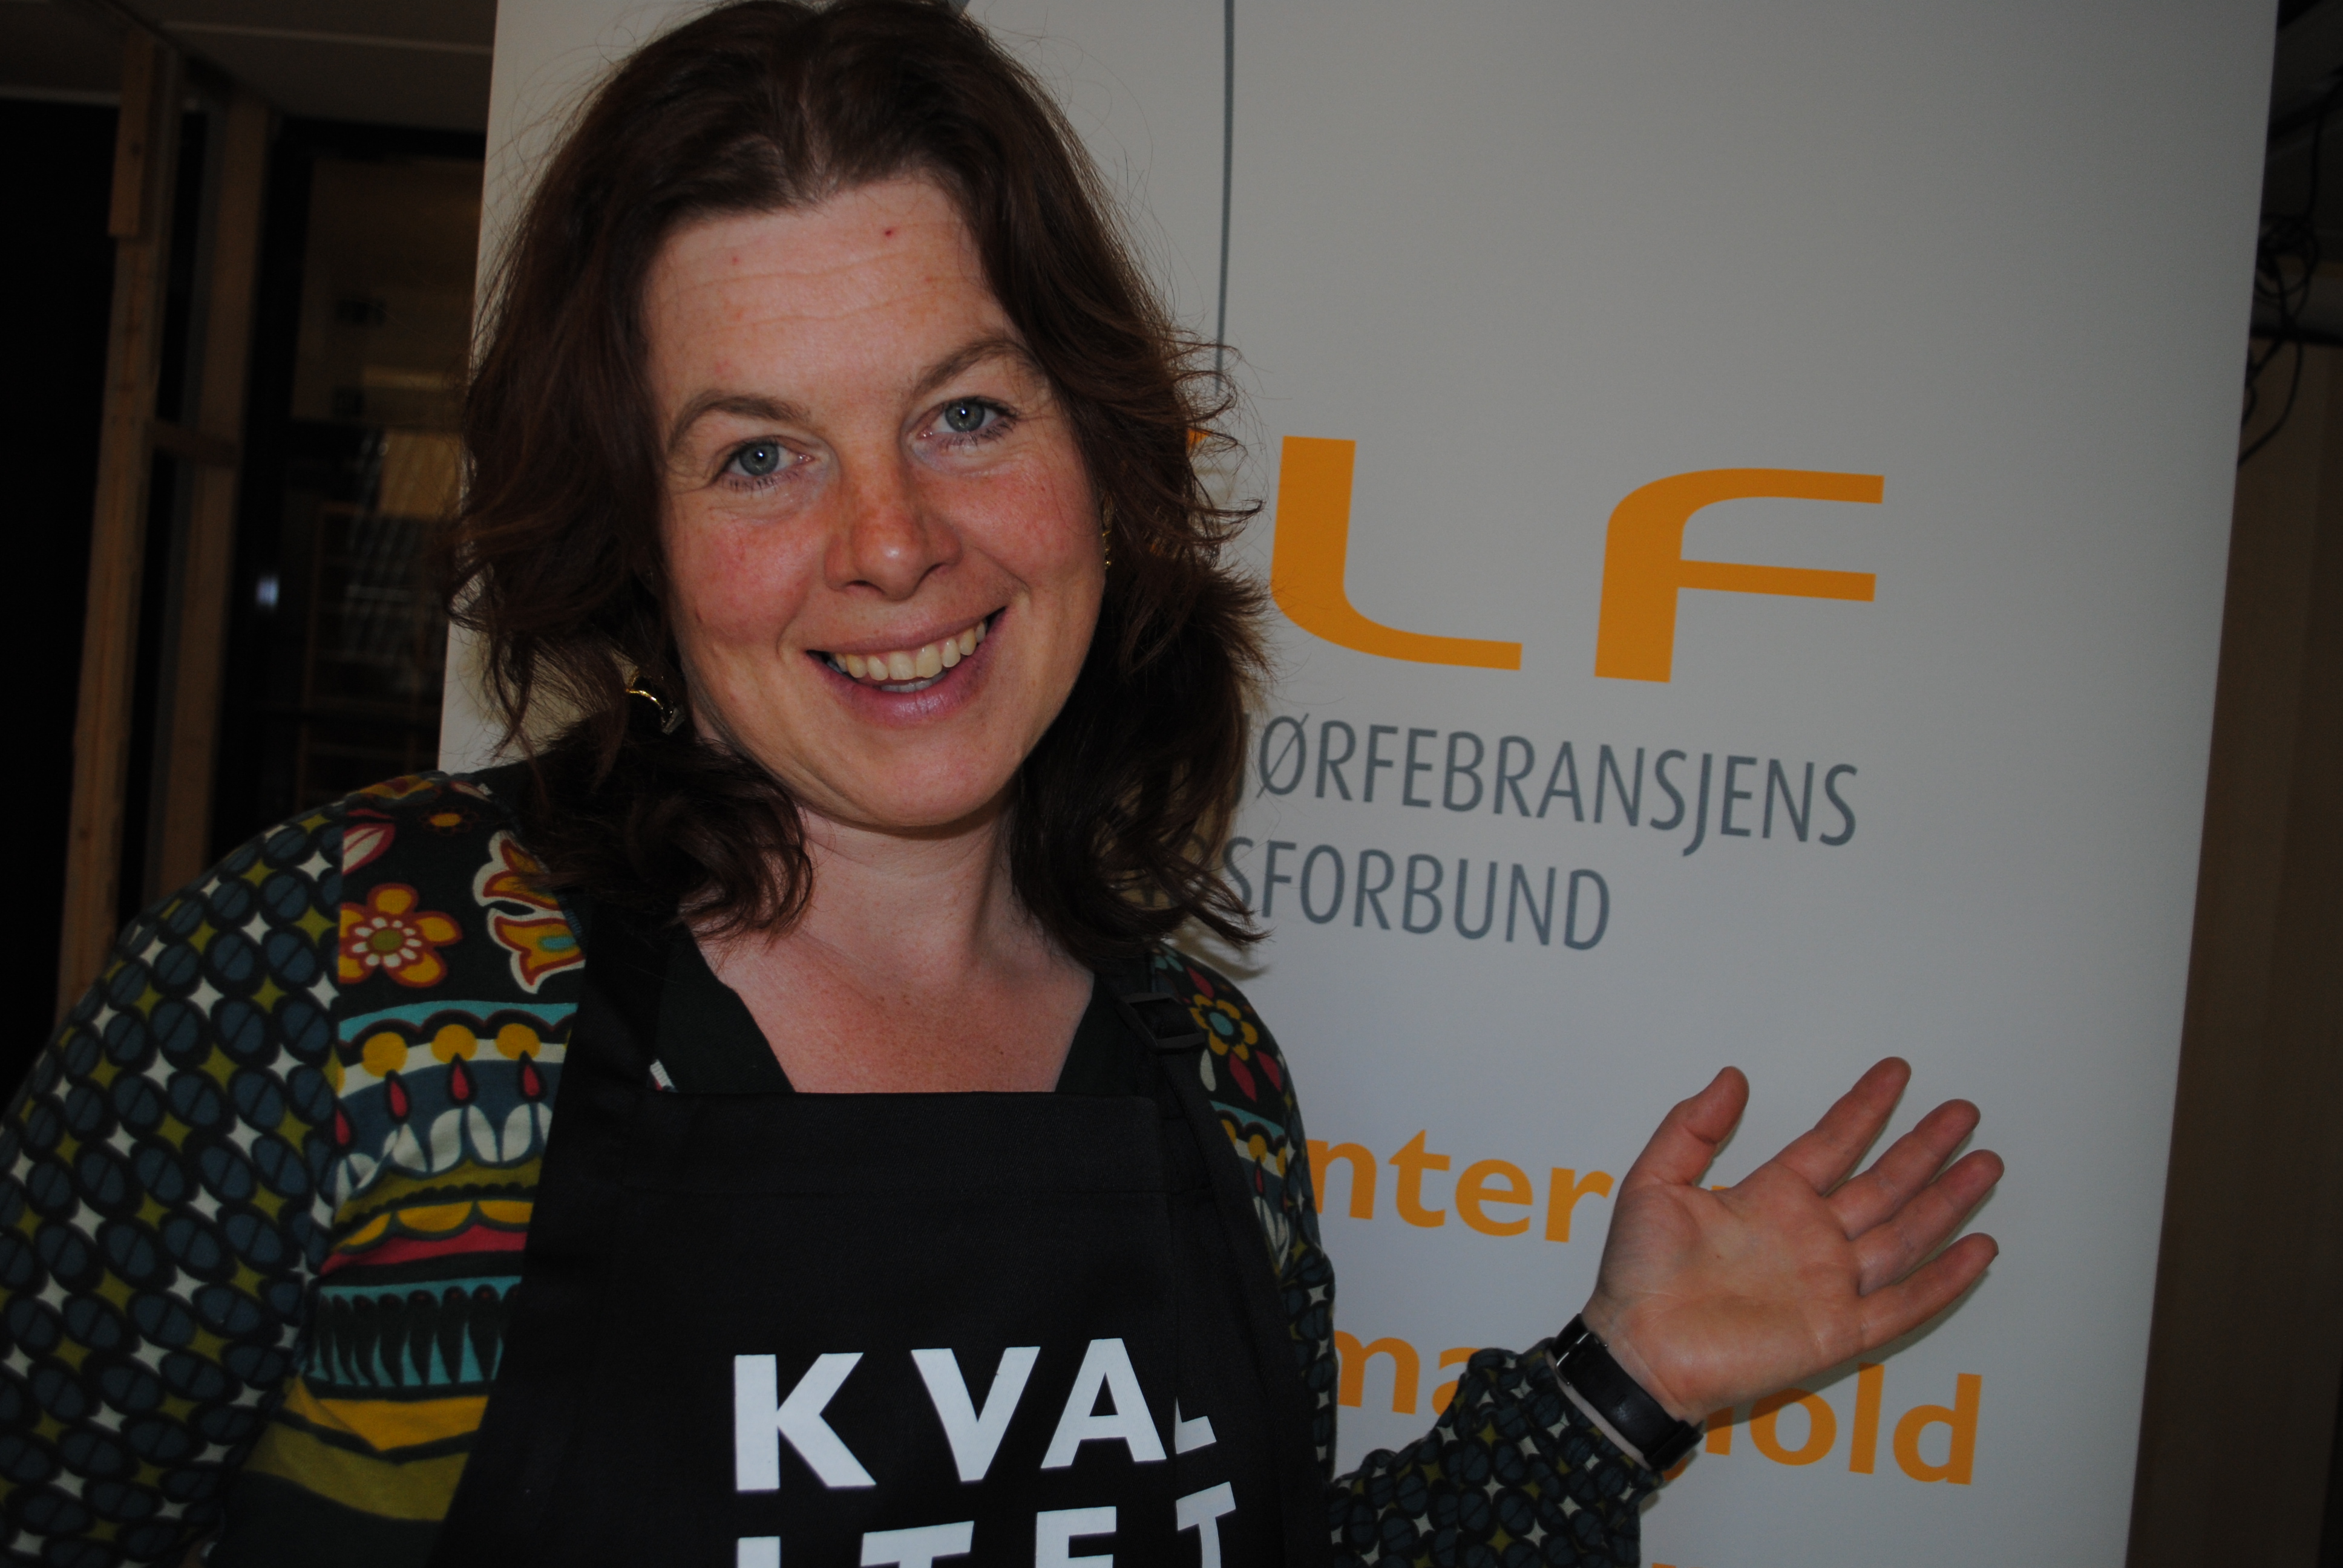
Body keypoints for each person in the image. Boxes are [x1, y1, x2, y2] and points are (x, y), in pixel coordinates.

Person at [1, 3, 2002, 1564]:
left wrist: (1618, 1384)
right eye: (759, 454)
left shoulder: (1206, 1078)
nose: (892, 543)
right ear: (637, 543)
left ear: (1099, 462)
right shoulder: (348, 980)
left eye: (964, 413)